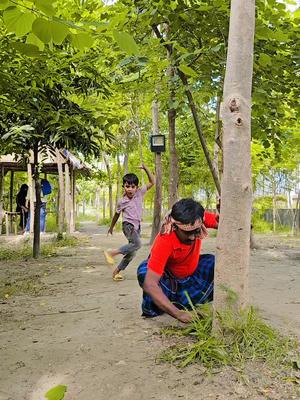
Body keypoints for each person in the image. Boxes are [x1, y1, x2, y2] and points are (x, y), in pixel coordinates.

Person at [137, 198, 219, 323]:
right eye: (188, 233)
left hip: (190, 278)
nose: (193, 237)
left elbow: (230, 224)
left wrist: (228, 214)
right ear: (175, 226)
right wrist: (179, 314)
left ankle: (180, 302)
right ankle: (168, 305)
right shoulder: (164, 240)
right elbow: (150, 284)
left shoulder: (197, 218)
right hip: (169, 281)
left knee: (215, 264)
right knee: (144, 271)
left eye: (196, 231)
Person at [104, 164, 155, 281]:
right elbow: (116, 215)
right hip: (128, 225)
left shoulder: (140, 193)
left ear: (137, 187)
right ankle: (112, 253)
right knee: (137, 244)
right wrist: (111, 227)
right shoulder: (122, 201)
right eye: (127, 186)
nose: (130, 189)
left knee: (132, 252)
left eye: (133, 186)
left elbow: (152, 182)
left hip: (137, 226)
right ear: (124, 187)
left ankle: (116, 272)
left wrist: (145, 168)